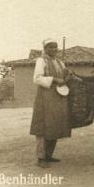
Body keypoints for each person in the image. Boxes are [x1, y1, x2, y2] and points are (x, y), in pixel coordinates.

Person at [29, 39, 73, 167]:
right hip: (45, 97)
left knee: (55, 125)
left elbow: (64, 77)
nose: (54, 50)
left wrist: (67, 76)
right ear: (45, 48)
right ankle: (41, 158)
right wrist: (54, 79)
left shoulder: (60, 62)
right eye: (51, 47)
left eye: (56, 47)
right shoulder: (41, 61)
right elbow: (37, 79)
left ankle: (49, 155)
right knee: (43, 126)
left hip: (58, 97)